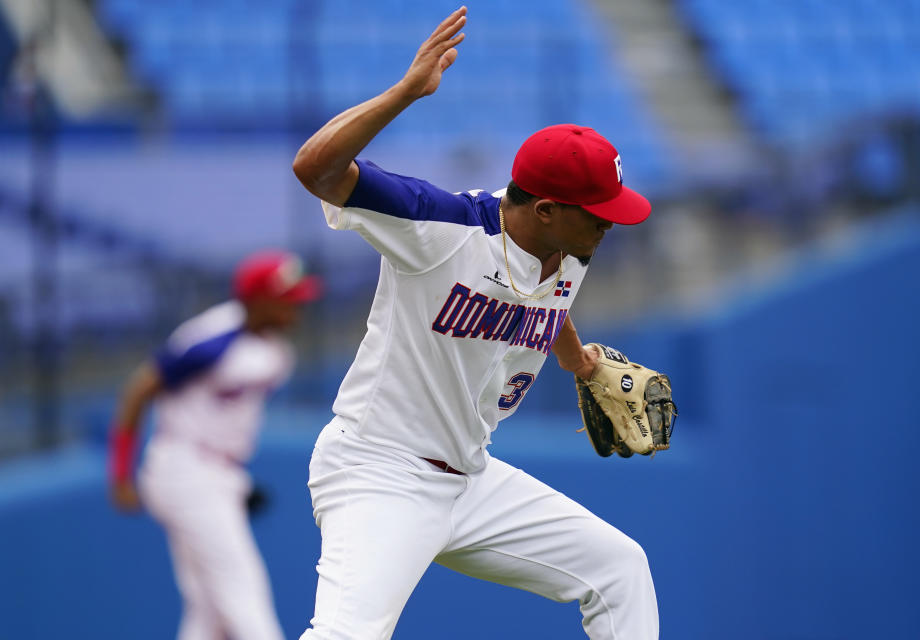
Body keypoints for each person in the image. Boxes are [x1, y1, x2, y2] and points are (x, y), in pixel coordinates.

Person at [292, 6, 659, 639]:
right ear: (545, 208)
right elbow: (314, 170)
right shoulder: (438, 227)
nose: (610, 222)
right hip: (381, 470)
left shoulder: (570, 247)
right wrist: (405, 93)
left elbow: (544, 303)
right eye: (597, 212)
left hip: (471, 475)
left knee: (621, 570)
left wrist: (580, 361)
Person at [108, 250, 321, 640]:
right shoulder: (211, 339)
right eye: (287, 297)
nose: (297, 306)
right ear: (258, 299)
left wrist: (234, 481)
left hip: (214, 472)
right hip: (185, 468)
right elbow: (140, 390)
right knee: (243, 591)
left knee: (208, 608)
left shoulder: (276, 352)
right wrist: (120, 472)